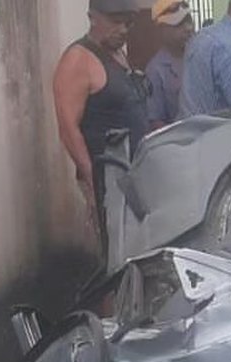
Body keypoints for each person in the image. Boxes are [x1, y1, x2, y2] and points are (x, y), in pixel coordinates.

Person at [53, 0, 149, 246]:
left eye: (128, 22)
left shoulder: (118, 54)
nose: (123, 29)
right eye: (115, 21)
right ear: (92, 17)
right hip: (109, 178)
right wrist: (94, 183)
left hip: (135, 175)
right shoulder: (78, 59)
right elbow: (68, 129)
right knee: (116, 252)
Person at [146, 0, 195, 131]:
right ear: (161, 29)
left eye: (189, 20)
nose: (188, 28)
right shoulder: (155, 71)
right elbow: (155, 122)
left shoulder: (200, 56)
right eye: (179, 24)